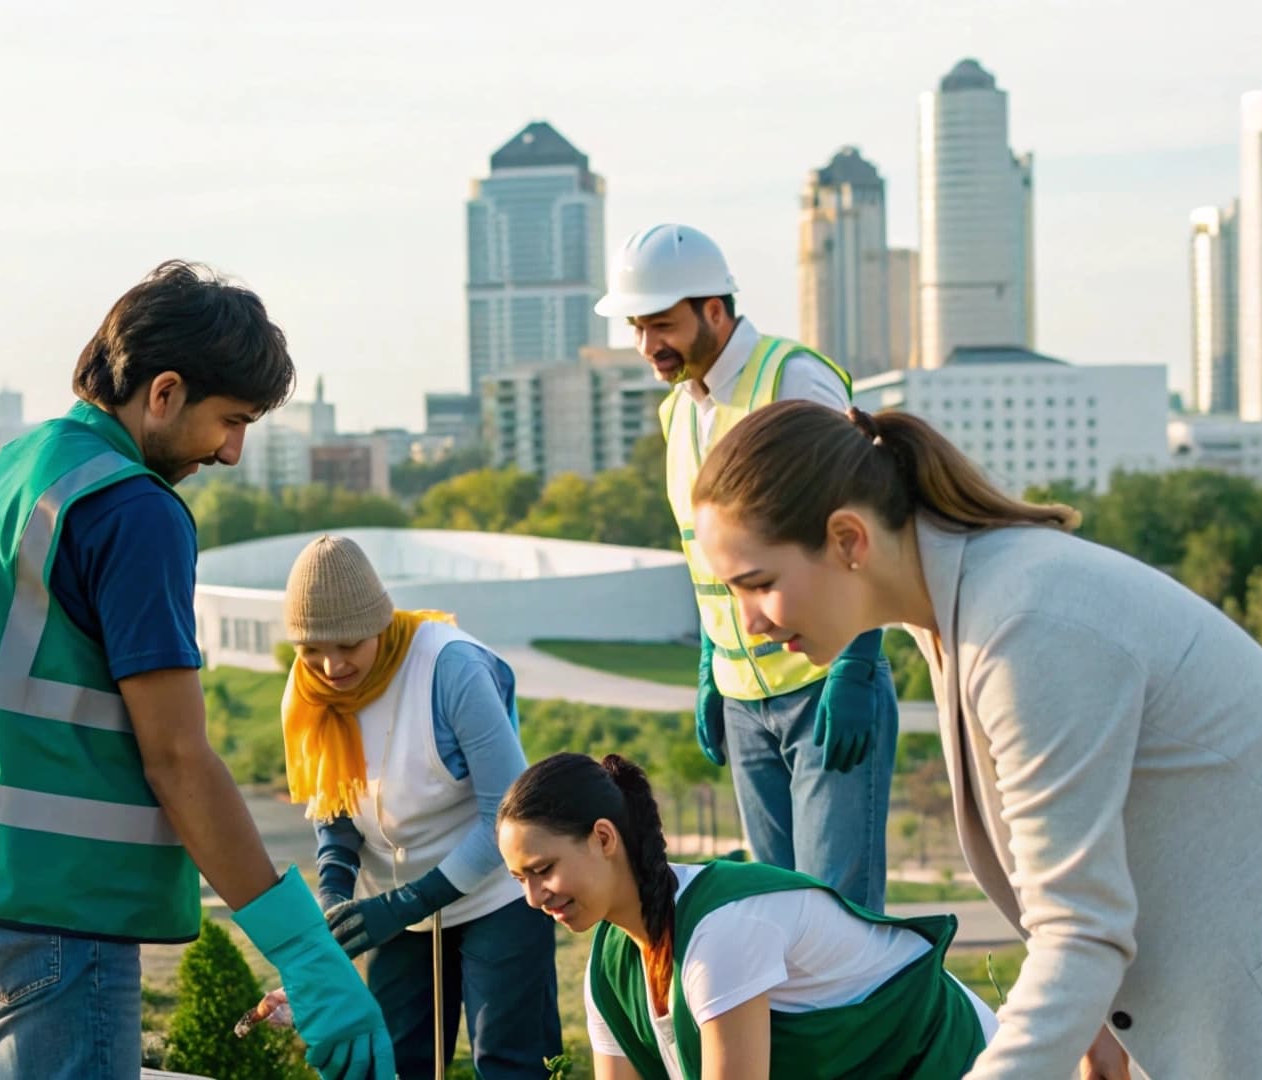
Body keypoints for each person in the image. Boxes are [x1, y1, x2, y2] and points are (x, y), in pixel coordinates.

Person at [683, 399, 1262, 1078]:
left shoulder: (1024, 625)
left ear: (849, 540)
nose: (747, 622)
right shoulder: (968, 608)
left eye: (759, 584)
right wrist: (1095, 1029)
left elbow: (1081, 932)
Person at [0, 261, 391, 1080]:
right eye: (230, 421)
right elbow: (178, 758)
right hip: (42, 910)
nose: (233, 452)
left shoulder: (1, 477)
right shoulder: (134, 512)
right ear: (165, 392)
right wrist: (304, 951)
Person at [594, 223, 897, 911]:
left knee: (839, 917)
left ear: (715, 309)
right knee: (783, 913)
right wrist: (711, 669)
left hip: (824, 682)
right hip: (743, 696)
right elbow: (711, 562)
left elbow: (862, 514)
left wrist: (856, 660)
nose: (649, 347)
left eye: (662, 325)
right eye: (638, 329)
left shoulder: (792, 378)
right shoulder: (679, 413)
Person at [496, 751, 996, 1080]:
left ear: (604, 839)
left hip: (957, 1061)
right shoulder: (609, 966)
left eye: (543, 870)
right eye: (521, 880)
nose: (534, 898)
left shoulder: (724, 930)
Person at [282, 535, 561, 1077]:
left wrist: (405, 904)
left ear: (380, 624)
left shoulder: (451, 669)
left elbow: (507, 818)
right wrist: (335, 893)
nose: (331, 666)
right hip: (396, 906)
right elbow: (333, 803)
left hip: (495, 894)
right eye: (311, 649)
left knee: (508, 1060)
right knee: (393, 1061)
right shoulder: (310, 688)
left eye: (348, 644)